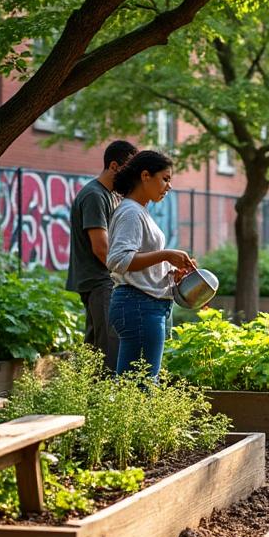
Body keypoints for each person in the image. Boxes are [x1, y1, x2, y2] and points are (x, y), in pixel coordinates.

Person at [106, 150, 195, 377]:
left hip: (147, 305)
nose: (169, 186)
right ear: (145, 175)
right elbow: (118, 260)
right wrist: (165, 255)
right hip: (138, 305)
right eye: (165, 179)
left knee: (140, 384)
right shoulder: (130, 212)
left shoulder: (140, 211)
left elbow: (141, 260)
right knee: (138, 386)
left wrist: (169, 271)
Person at [66, 140, 138, 370]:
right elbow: (101, 248)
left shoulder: (111, 196)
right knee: (110, 345)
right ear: (114, 166)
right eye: (128, 170)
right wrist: (127, 271)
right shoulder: (95, 196)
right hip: (99, 280)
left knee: (96, 345)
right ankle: (107, 399)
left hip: (102, 280)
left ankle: (88, 398)